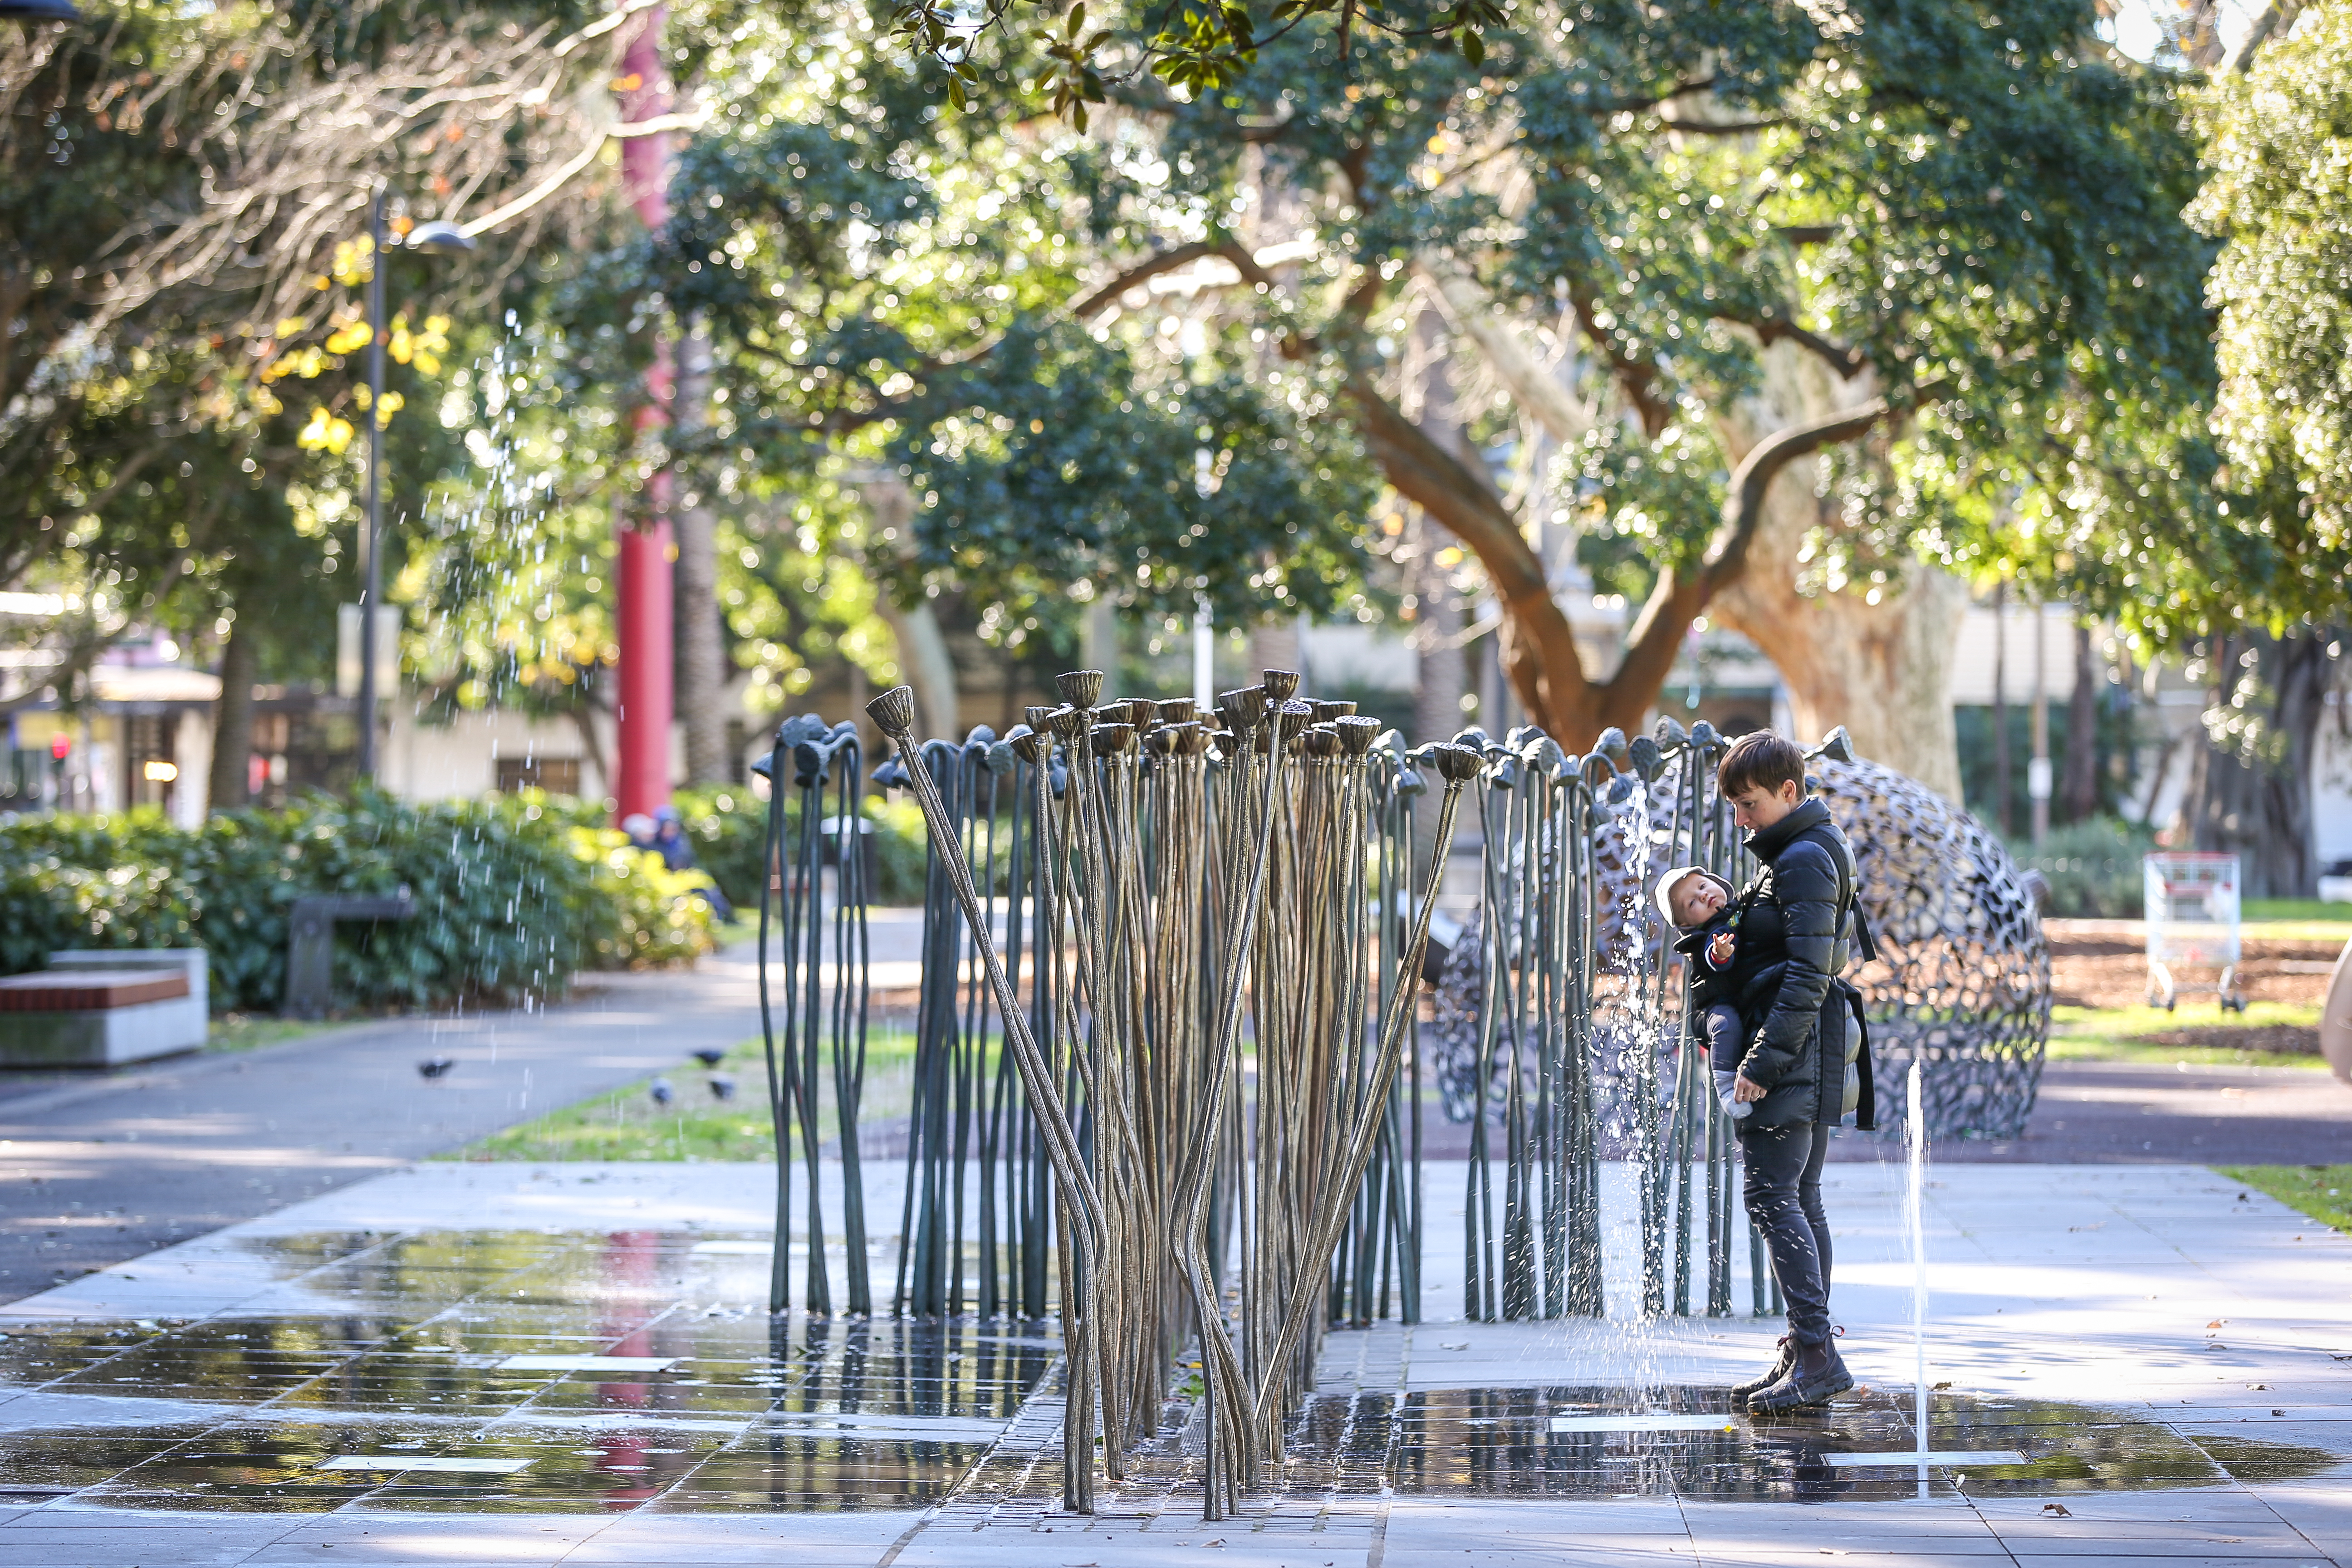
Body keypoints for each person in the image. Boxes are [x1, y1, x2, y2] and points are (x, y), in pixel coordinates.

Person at [1713, 730, 1876, 1415]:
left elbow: (1811, 973)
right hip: (1811, 1051)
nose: (1740, 819)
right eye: (1734, 807)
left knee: (1773, 1198)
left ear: (1789, 791)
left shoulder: (1804, 857)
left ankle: (1816, 1354)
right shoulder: (1797, 852)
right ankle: (1804, 1349)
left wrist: (1759, 1063)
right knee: (1800, 1199)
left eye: (1748, 804)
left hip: (1798, 1056)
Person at [1656, 866, 1750, 1124]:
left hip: (1745, 996)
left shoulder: (1744, 906)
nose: (1704, 896)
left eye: (1702, 887)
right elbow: (1713, 958)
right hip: (1716, 1005)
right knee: (1726, 1025)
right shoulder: (1709, 934)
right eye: (1692, 902)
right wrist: (1721, 953)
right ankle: (1725, 1084)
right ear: (1686, 924)